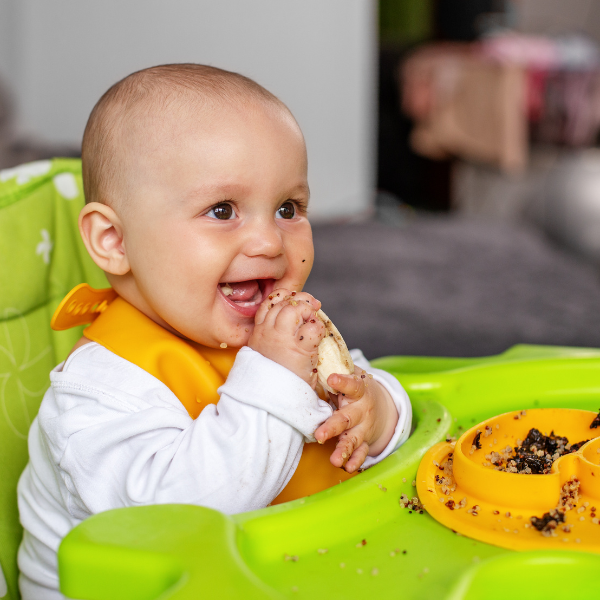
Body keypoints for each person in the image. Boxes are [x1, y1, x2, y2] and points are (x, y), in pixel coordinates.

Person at [17, 64, 412, 599]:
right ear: (113, 240)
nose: (270, 241)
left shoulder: (277, 334)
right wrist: (274, 379)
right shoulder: (98, 393)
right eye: (223, 210)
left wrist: (378, 412)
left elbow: (363, 381)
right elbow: (183, 518)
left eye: (287, 208)